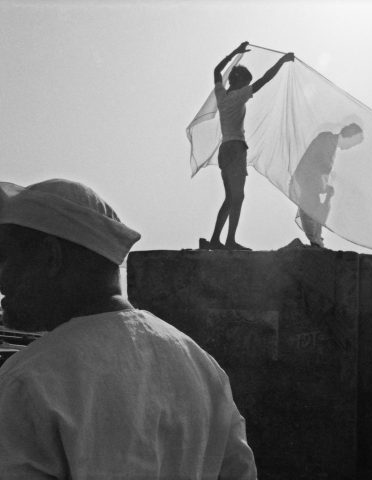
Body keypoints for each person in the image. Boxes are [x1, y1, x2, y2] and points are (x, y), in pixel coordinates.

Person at [0, 179, 257, 479]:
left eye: (4, 257)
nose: (1, 278)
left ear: (50, 256)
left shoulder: (28, 382)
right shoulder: (202, 368)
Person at [206, 41, 294, 251]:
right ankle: (229, 241)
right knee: (238, 197)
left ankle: (215, 240)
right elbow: (265, 79)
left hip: (224, 150)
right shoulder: (238, 95)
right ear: (240, 83)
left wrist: (235, 53)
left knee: (230, 197)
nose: (248, 86)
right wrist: (282, 61)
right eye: (246, 82)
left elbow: (217, 70)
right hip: (236, 149)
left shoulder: (221, 95)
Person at [290, 123, 364, 247]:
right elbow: (315, 165)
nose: (351, 146)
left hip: (311, 186)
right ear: (350, 136)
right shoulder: (326, 140)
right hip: (307, 184)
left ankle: (316, 241)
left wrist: (326, 185)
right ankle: (315, 242)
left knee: (316, 212)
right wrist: (324, 183)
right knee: (310, 211)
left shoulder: (331, 144)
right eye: (353, 142)